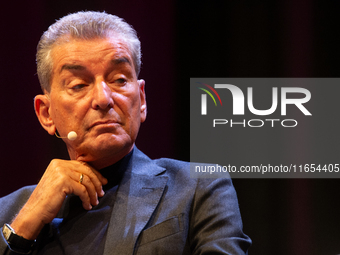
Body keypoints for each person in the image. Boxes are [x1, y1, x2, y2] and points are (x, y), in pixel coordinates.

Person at [0, 11, 251, 254]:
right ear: (46, 113)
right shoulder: (9, 213)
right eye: (79, 85)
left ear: (141, 99)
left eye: (119, 80)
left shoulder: (197, 188)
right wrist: (22, 229)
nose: (103, 98)